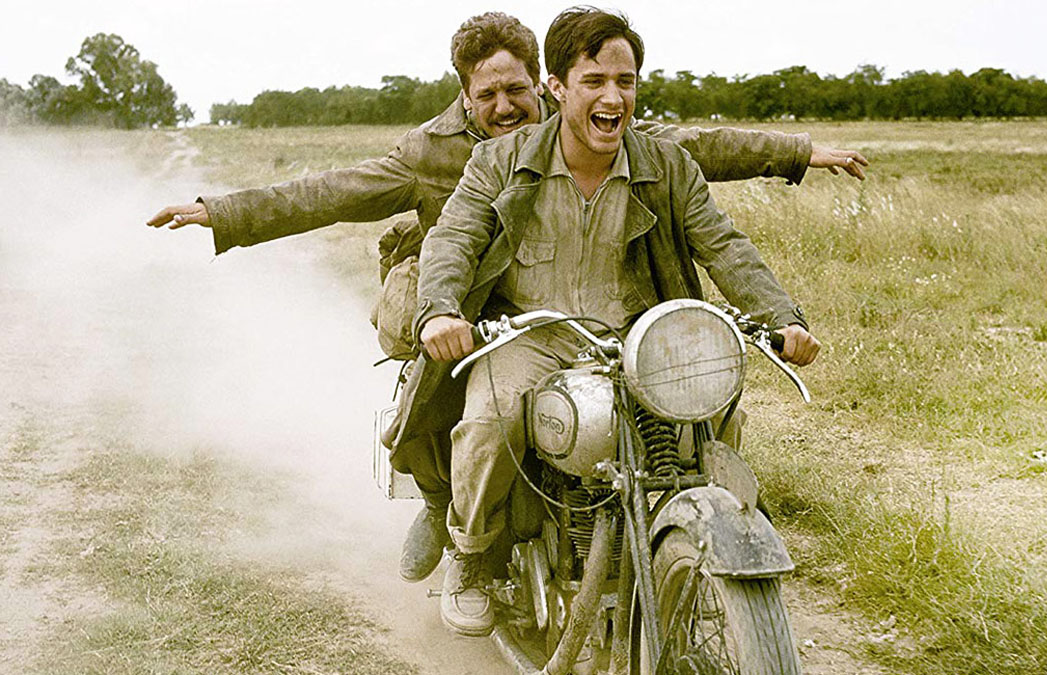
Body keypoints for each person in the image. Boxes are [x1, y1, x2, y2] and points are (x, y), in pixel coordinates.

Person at [145, 12, 865, 590]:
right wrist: (227, 212)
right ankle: (463, 535)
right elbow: (348, 198)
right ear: (468, 94)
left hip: (622, 325)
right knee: (458, 415)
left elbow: (715, 202)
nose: (503, 106)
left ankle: (687, 537)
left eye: (514, 90)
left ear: (541, 85)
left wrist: (795, 193)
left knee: (700, 402)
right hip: (492, 314)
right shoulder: (448, 154)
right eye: (485, 94)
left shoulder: (637, 145)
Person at [413, 7, 821, 636]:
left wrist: (781, 318)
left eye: (625, 81)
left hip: (636, 338)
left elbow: (726, 246)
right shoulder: (498, 161)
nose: (612, 97)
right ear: (557, 88)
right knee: (488, 421)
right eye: (594, 81)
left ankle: (685, 549)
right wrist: (440, 310)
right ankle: (470, 556)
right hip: (529, 334)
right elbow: (452, 239)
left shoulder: (666, 166)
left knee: (715, 415)